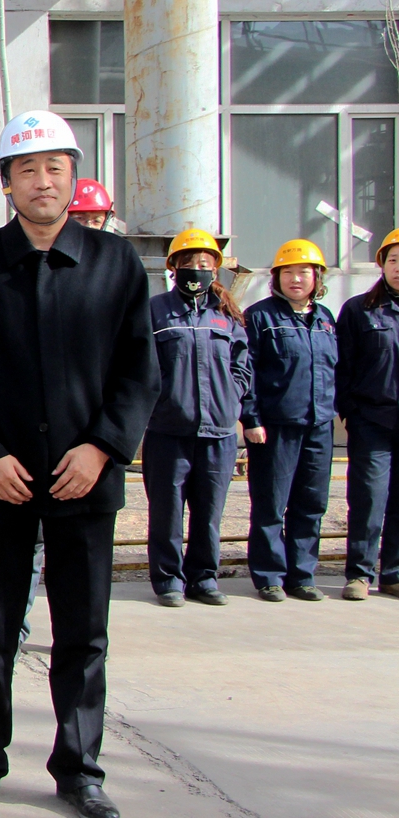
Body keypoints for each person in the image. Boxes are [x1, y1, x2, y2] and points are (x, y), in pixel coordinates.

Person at [0, 110, 159, 818]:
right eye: (26, 169)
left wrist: (102, 448)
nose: (42, 181)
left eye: (54, 168)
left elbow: (139, 371)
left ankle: (80, 768)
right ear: (5, 182)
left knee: (84, 632)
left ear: (73, 176)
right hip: (1, 480)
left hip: (83, 478)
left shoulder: (115, 263)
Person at [144, 229, 251, 607]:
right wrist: (161, 401)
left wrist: (231, 397)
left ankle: (204, 578)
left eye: (205, 263)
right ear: (173, 268)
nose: (197, 269)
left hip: (218, 432)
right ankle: (168, 580)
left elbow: (242, 364)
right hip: (168, 430)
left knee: (209, 513)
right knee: (167, 512)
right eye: (188, 262)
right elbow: (143, 365)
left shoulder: (226, 314)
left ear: (215, 270)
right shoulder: (155, 310)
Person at [241, 238, 335, 603]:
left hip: (319, 425)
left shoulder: (325, 319)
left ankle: (302, 575)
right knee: (270, 504)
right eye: (288, 272)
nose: (296, 279)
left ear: (317, 278)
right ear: (277, 277)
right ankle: (269, 576)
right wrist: (251, 418)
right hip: (275, 427)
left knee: (311, 504)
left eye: (304, 272)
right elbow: (247, 372)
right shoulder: (260, 317)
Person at [337, 232, 399, 601]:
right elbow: (342, 366)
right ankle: (360, 574)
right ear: (382, 264)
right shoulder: (360, 310)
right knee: (369, 498)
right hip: (372, 421)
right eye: (393, 260)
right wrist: (351, 413)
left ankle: (393, 574)